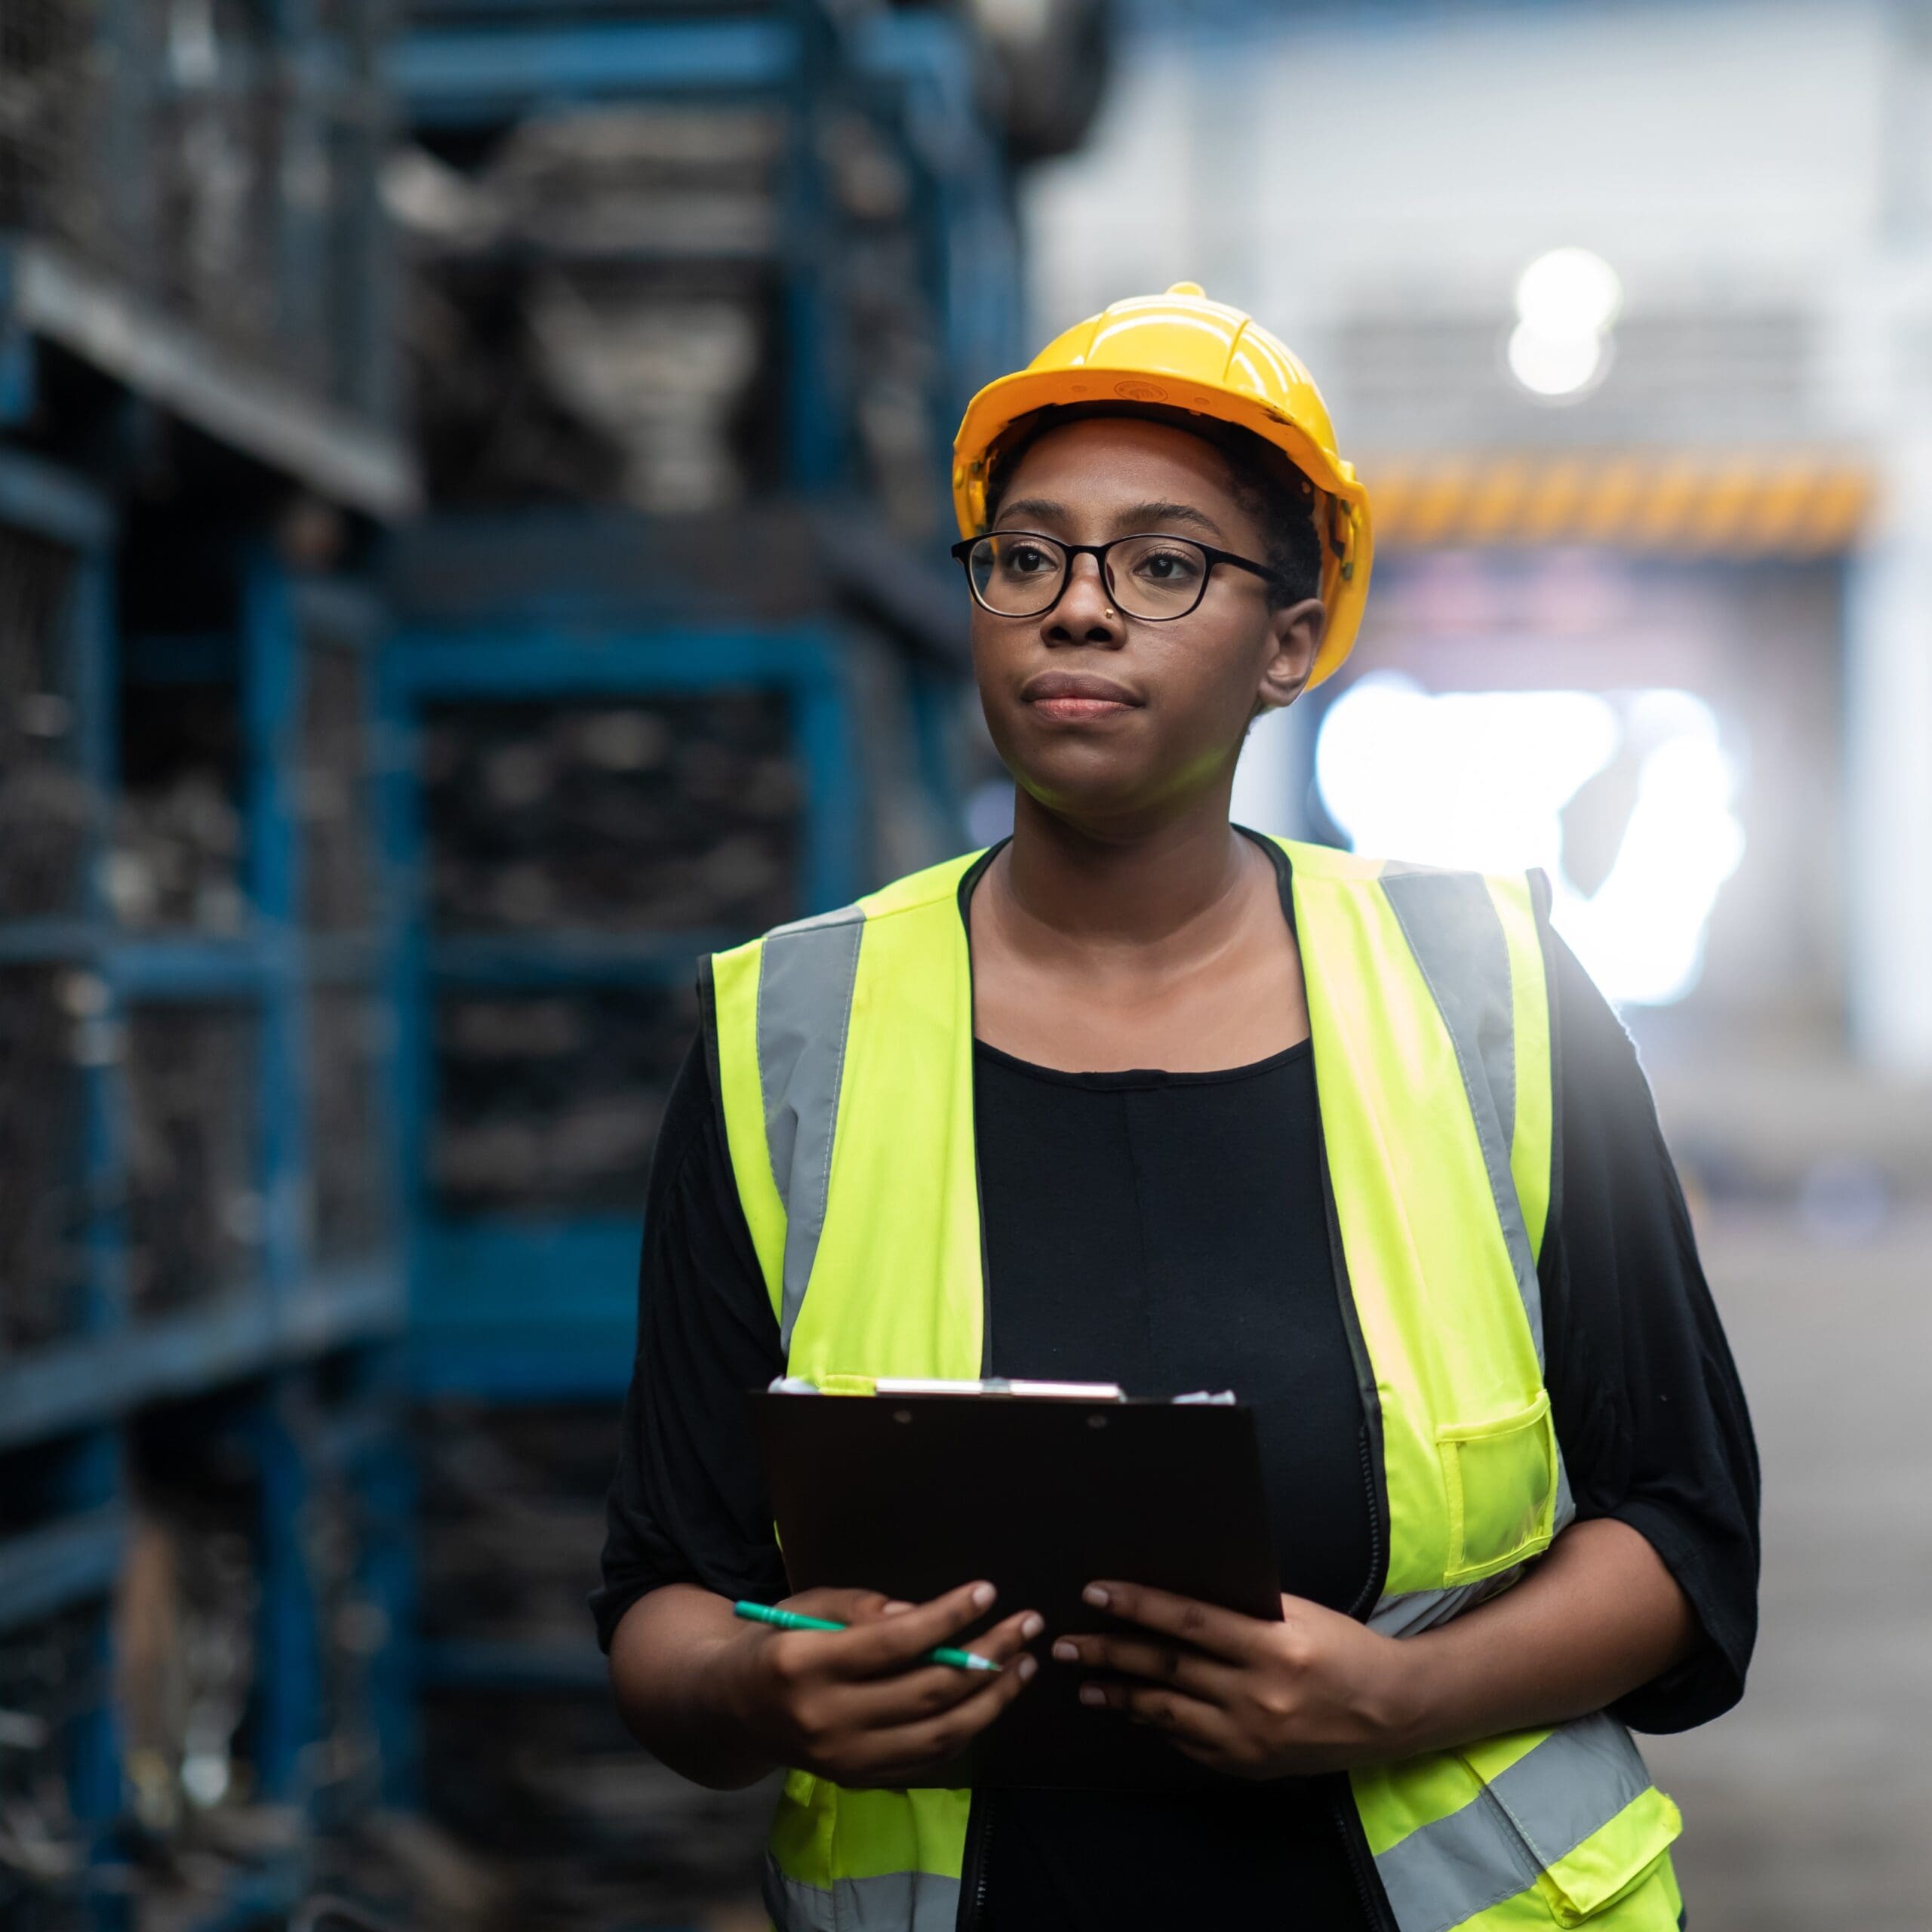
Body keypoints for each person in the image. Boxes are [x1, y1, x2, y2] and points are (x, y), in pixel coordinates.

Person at [593, 283, 1759, 1932]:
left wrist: (1393, 1699)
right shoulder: (788, 1031)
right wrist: (759, 1692)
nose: (1077, 609)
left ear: (1289, 640)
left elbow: (1683, 1522)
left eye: (1159, 563)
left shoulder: (1490, 995)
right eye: (1025, 555)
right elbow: (661, 1589)